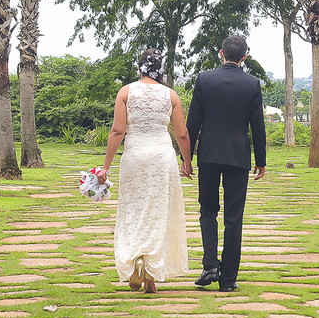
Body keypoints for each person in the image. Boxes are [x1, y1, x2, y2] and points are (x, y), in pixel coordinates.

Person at [98, 48, 192, 293]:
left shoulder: (126, 92)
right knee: (159, 212)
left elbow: (117, 131)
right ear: (161, 70)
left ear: (139, 68)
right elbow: (182, 133)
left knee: (132, 211)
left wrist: (105, 167)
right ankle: (151, 271)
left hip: (135, 157)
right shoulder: (171, 95)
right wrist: (187, 161)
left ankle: (136, 260)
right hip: (162, 158)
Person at [186, 34, 267, 292]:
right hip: (237, 156)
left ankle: (210, 264)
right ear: (244, 57)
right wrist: (261, 160)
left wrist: (186, 157)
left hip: (208, 154)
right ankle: (228, 279)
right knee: (234, 216)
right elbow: (258, 125)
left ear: (221, 53)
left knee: (207, 210)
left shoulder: (204, 79)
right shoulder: (252, 84)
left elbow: (193, 121)